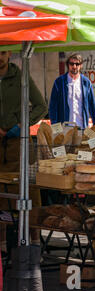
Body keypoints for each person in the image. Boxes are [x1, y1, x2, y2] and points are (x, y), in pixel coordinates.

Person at [0, 50, 47, 249]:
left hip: (18, 144)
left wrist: (19, 125)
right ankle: (2, 246)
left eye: (2, 52)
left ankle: (35, 244)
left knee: (28, 191)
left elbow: (41, 106)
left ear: (9, 53)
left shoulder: (20, 75)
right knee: (1, 196)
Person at [49, 53, 95, 129]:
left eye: (77, 64)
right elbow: (53, 106)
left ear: (81, 65)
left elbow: (92, 105)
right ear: (68, 65)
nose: (74, 66)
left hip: (82, 126)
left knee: (87, 141)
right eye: (72, 64)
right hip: (65, 127)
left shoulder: (86, 82)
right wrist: (56, 128)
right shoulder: (59, 82)